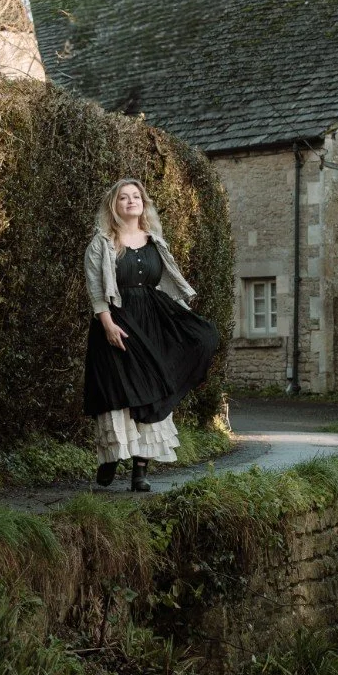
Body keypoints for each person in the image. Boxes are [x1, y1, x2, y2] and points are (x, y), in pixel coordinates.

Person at [83, 177, 220, 492]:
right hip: (117, 321)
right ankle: (110, 458)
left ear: (143, 204)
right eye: (123, 197)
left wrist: (182, 319)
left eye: (136, 196)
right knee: (118, 393)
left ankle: (140, 472)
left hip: (151, 321)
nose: (131, 201)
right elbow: (96, 290)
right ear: (113, 206)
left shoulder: (155, 241)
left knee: (154, 389)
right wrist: (107, 325)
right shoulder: (102, 242)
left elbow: (165, 285)